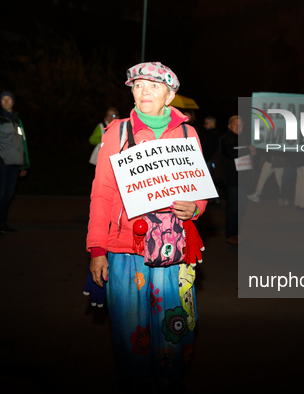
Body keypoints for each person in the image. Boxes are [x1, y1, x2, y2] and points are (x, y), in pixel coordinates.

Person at [86, 62, 207, 389]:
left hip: (172, 253)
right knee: (130, 334)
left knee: (174, 330)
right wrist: (97, 249)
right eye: (138, 86)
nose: (145, 92)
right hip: (126, 252)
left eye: (154, 86)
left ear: (170, 95)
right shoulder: (117, 133)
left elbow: (199, 190)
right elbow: (102, 194)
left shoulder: (187, 133)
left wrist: (194, 207)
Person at [0, 91, 30, 236]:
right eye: (3, 99)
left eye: (9, 99)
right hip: (2, 162)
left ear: (13, 102)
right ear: (0, 102)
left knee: (9, 195)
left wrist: (24, 164)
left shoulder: (17, 121)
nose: (6, 102)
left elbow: (23, 144)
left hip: (15, 163)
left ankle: (3, 223)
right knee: (0, 194)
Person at [221, 115, 253, 244]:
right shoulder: (225, 139)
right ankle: (230, 235)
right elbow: (231, 154)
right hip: (232, 179)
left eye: (241, 125)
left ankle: (237, 233)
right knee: (233, 207)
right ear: (229, 126)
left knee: (242, 207)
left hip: (243, 178)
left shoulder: (243, 139)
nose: (239, 127)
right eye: (236, 124)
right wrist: (247, 150)